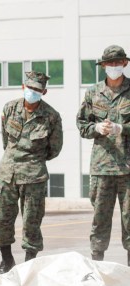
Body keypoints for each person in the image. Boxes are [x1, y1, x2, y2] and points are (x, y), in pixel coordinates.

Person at [0, 71, 63, 276]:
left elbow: (54, 149)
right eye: (30, 88)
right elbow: (6, 141)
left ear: (44, 92)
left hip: (33, 176)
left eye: (37, 90)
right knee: (1, 217)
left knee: (32, 221)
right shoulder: (10, 108)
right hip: (7, 173)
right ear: (24, 87)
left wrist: (34, 160)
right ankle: (6, 260)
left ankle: (29, 264)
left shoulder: (51, 116)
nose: (32, 92)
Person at [77, 45, 130, 264]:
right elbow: (81, 124)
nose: (114, 67)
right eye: (110, 64)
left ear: (125, 64)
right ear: (103, 66)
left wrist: (122, 129)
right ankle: (97, 266)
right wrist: (96, 128)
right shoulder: (93, 92)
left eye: (118, 63)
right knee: (100, 220)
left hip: (128, 168)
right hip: (102, 168)